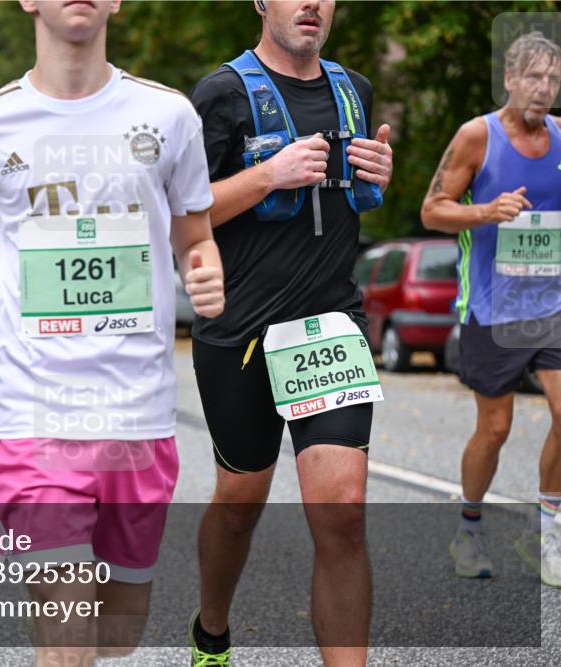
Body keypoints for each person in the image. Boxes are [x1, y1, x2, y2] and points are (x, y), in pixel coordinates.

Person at [0, 1, 223, 663]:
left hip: (137, 417)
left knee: (118, 629)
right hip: (31, 412)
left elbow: (195, 234)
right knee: (68, 609)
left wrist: (206, 271)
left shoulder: (169, 116)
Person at [188, 1, 393, 664]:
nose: (311, 3)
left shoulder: (353, 89)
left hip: (331, 327)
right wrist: (266, 175)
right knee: (241, 503)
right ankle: (211, 629)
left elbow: (354, 193)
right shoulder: (221, 95)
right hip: (241, 333)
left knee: (343, 512)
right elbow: (178, 211)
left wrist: (380, 174)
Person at [420, 31, 561, 587]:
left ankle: (549, 534)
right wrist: (487, 211)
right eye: (533, 77)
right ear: (509, 79)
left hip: (552, 304)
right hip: (493, 308)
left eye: (552, 78)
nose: (543, 88)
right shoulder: (476, 136)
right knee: (495, 429)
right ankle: (469, 530)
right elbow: (433, 210)